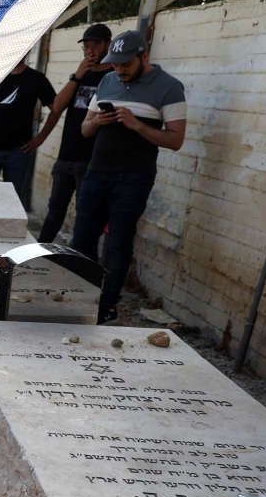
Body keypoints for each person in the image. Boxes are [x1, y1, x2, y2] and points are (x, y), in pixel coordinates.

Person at [70, 29, 186, 324]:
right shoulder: (107, 80)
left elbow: (175, 140)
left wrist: (137, 126)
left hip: (134, 177)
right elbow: (84, 130)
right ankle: (80, 299)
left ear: (143, 57)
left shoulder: (169, 88)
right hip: (96, 172)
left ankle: (106, 305)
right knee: (82, 238)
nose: (119, 70)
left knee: (118, 244)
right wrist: (97, 120)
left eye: (125, 64)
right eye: (115, 63)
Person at [38, 24, 111, 243]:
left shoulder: (114, 76)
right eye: (86, 47)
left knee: (86, 216)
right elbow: (57, 106)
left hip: (92, 161)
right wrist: (77, 76)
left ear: (108, 44)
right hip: (66, 156)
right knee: (54, 213)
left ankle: (76, 262)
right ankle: (39, 255)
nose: (90, 51)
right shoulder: (80, 76)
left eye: (95, 45)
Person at [0, 58, 59, 211]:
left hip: (19, 152)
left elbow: (56, 109)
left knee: (12, 204)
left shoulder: (36, 79)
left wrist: (39, 139)